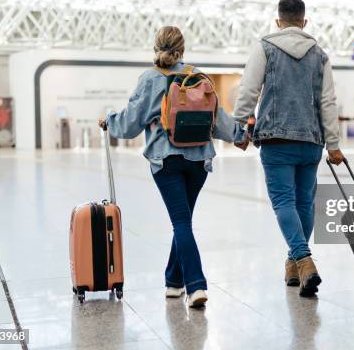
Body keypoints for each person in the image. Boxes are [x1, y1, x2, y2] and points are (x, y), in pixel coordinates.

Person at [99, 26, 245, 308]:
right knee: (184, 221)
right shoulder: (197, 76)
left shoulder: (150, 79)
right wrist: (239, 136)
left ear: (156, 48)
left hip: (166, 161)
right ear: (183, 48)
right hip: (199, 161)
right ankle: (173, 283)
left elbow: (129, 124)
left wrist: (109, 119)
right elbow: (218, 118)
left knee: (181, 222)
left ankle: (196, 285)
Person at [233, 0, 345, 297]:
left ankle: (304, 260)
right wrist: (333, 144)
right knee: (304, 205)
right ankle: (293, 264)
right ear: (304, 22)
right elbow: (328, 103)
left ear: (278, 21)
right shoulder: (320, 55)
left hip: (276, 140)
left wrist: (238, 127)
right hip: (311, 142)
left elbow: (248, 90)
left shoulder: (265, 47)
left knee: (284, 202)